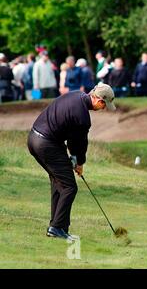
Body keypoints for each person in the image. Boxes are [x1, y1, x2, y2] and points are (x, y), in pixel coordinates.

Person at [27, 84, 116, 240]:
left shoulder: (75, 95)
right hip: (47, 143)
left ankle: (58, 227)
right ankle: (56, 228)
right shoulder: (82, 117)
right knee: (69, 187)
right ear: (98, 99)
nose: (103, 108)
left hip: (34, 138)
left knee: (59, 182)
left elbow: (71, 141)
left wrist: (74, 159)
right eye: (104, 104)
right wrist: (79, 163)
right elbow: (78, 144)